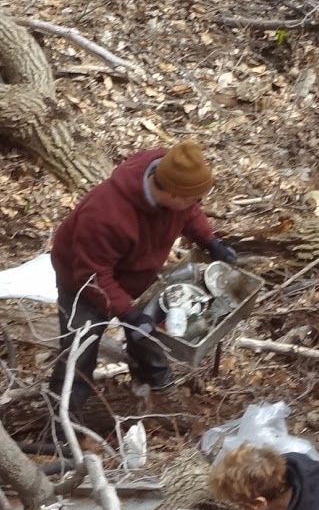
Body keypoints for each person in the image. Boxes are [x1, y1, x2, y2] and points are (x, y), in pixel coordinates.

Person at [47, 141, 236, 422]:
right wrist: (128, 313)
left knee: (151, 329)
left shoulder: (172, 176)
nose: (196, 204)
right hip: (82, 284)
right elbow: (92, 277)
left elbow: (190, 212)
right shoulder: (105, 215)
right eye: (191, 198)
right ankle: (60, 423)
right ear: (171, 193)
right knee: (80, 354)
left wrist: (210, 241)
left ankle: (158, 383)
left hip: (136, 273)